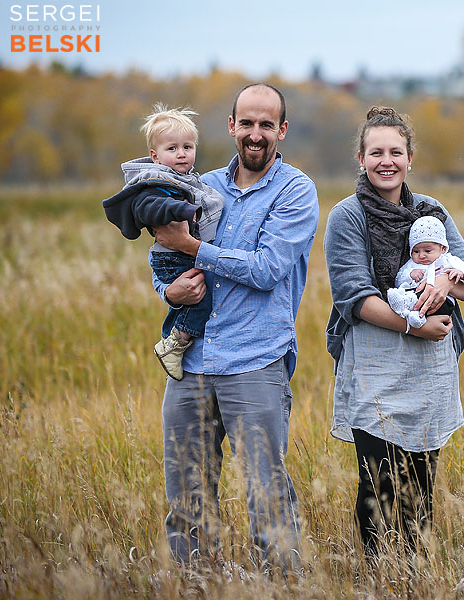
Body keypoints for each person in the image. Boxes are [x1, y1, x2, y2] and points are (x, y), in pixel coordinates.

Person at [150, 83, 319, 574]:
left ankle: (282, 586)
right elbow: (162, 248)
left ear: (281, 130)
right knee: (186, 497)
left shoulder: (296, 190)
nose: (255, 133)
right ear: (231, 126)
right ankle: (196, 584)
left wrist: (194, 248)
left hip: (255, 361)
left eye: (267, 124)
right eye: (246, 122)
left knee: (266, 495)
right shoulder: (199, 185)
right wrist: (168, 292)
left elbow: (267, 270)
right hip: (193, 362)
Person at [325, 106, 464, 558]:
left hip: (429, 367)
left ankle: (415, 571)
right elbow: (353, 296)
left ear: (410, 157)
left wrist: (444, 280)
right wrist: (414, 326)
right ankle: (379, 573)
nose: (386, 161)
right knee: (377, 482)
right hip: (375, 359)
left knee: (421, 481)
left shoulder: (432, 213)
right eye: (376, 152)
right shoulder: (347, 216)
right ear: (361, 158)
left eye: (396, 151)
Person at [102, 104, 225, 380]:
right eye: (172, 149)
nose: (181, 153)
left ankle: (176, 339)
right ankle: (174, 343)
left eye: (187, 146)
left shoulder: (191, 180)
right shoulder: (155, 183)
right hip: (171, 256)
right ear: (155, 156)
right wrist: (181, 210)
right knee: (200, 300)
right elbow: (148, 208)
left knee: (196, 295)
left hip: (183, 253)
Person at [386, 215, 464, 330]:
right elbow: (399, 279)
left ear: (443, 249)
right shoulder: (412, 264)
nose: (421, 255)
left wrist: (461, 273)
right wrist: (410, 274)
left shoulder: (448, 260)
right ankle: (413, 315)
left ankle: (409, 305)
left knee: (428, 299)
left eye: (427, 251)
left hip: (441, 302)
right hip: (417, 295)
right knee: (411, 293)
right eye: (416, 251)